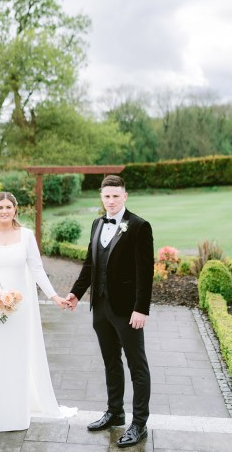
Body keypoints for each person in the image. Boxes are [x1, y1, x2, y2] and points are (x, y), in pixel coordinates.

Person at [0, 191, 74, 435]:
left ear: (15, 210)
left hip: (19, 310)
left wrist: (54, 296)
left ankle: (16, 417)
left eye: (8, 207)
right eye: (0, 207)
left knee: (16, 359)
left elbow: (37, 269)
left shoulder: (26, 236)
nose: (4, 211)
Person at [66, 175, 154, 448]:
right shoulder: (96, 223)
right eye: (107, 196)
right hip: (101, 307)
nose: (111, 201)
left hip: (128, 310)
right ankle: (115, 412)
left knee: (136, 365)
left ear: (125, 196)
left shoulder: (139, 226)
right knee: (110, 362)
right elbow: (90, 265)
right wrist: (75, 293)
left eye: (116, 196)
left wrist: (141, 309)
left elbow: (145, 273)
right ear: (101, 198)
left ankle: (139, 424)